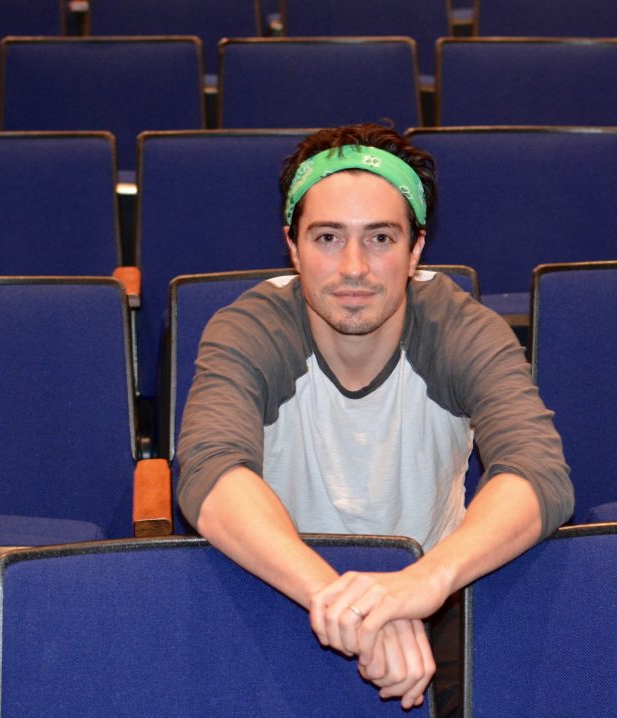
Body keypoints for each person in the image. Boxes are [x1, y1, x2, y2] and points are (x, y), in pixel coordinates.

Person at [177, 123, 573, 712]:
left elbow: (538, 474)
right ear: (292, 245)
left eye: (381, 238)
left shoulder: (465, 331)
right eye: (328, 237)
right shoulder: (247, 329)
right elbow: (209, 473)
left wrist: (420, 586)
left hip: (435, 606)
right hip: (277, 590)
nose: (354, 268)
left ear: (416, 251)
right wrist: (346, 602)